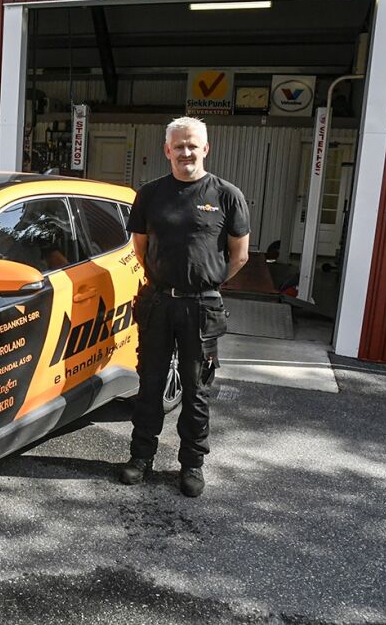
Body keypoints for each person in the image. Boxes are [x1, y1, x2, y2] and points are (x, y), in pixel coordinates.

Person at [120, 116, 250, 497]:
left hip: (201, 308)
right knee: (150, 384)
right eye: (179, 146)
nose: (186, 152)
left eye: (193, 145)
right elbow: (139, 248)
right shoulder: (151, 194)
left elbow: (239, 255)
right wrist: (164, 282)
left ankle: (192, 464)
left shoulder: (227, 195)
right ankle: (140, 457)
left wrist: (208, 282)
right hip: (158, 303)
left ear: (205, 148)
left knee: (196, 390)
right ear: (167, 151)